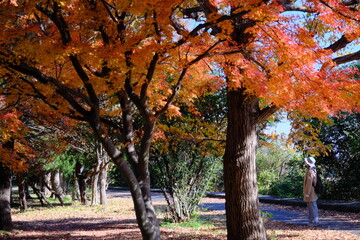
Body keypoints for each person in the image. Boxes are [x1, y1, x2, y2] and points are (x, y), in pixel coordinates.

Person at [303, 157, 319, 226]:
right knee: (312, 206)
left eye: (305, 161)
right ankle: (313, 220)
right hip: (312, 190)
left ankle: (313, 221)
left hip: (311, 191)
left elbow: (309, 182)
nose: (304, 162)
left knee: (312, 206)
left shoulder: (310, 171)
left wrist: (307, 192)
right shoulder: (313, 169)